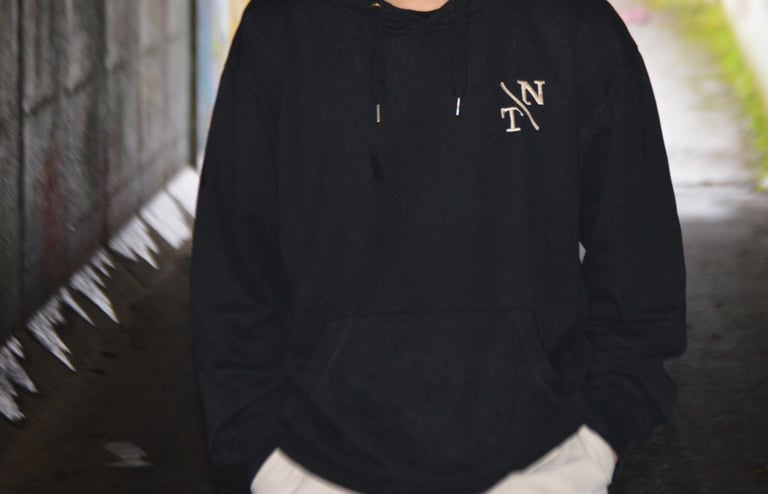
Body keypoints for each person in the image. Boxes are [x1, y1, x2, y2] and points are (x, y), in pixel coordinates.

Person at [190, 0, 687, 492]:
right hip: (314, 468)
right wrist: (263, 455)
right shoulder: (281, 30)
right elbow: (232, 266)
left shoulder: (574, 27)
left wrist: (598, 441)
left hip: (544, 468)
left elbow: (640, 258)